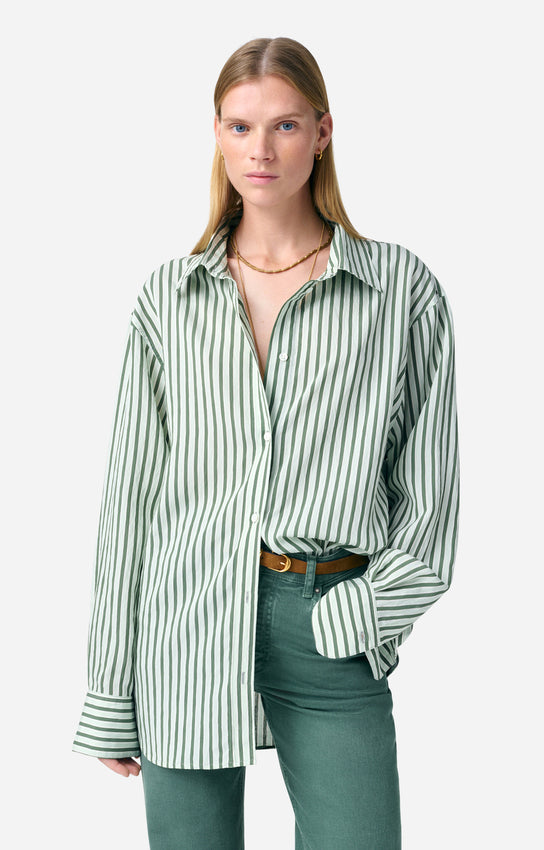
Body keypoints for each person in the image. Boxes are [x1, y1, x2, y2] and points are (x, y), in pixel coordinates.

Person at [72, 36, 460, 850]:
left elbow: (430, 504)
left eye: (284, 125)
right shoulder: (168, 298)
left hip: (328, 616)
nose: (261, 149)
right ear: (216, 134)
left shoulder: (399, 292)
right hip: (183, 622)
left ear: (322, 132)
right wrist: (109, 690)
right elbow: (130, 505)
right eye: (241, 126)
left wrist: (368, 611)